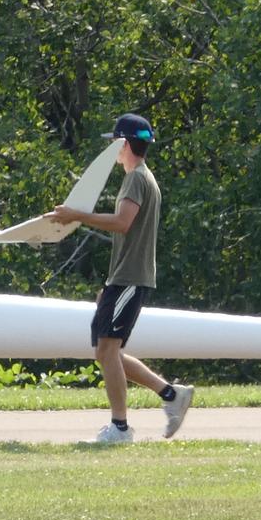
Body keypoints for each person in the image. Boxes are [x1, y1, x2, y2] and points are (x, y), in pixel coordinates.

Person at [48, 113, 194, 442]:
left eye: (115, 143)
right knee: (106, 350)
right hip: (124, 278)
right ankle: (172, 396)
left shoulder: (135, 179)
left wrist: (77, 216)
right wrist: (109, 285)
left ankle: (120, 427)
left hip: (131, 278)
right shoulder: (141, 177)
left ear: (124, 144)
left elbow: (123, 223)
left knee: (106, 349)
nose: (113, 150)